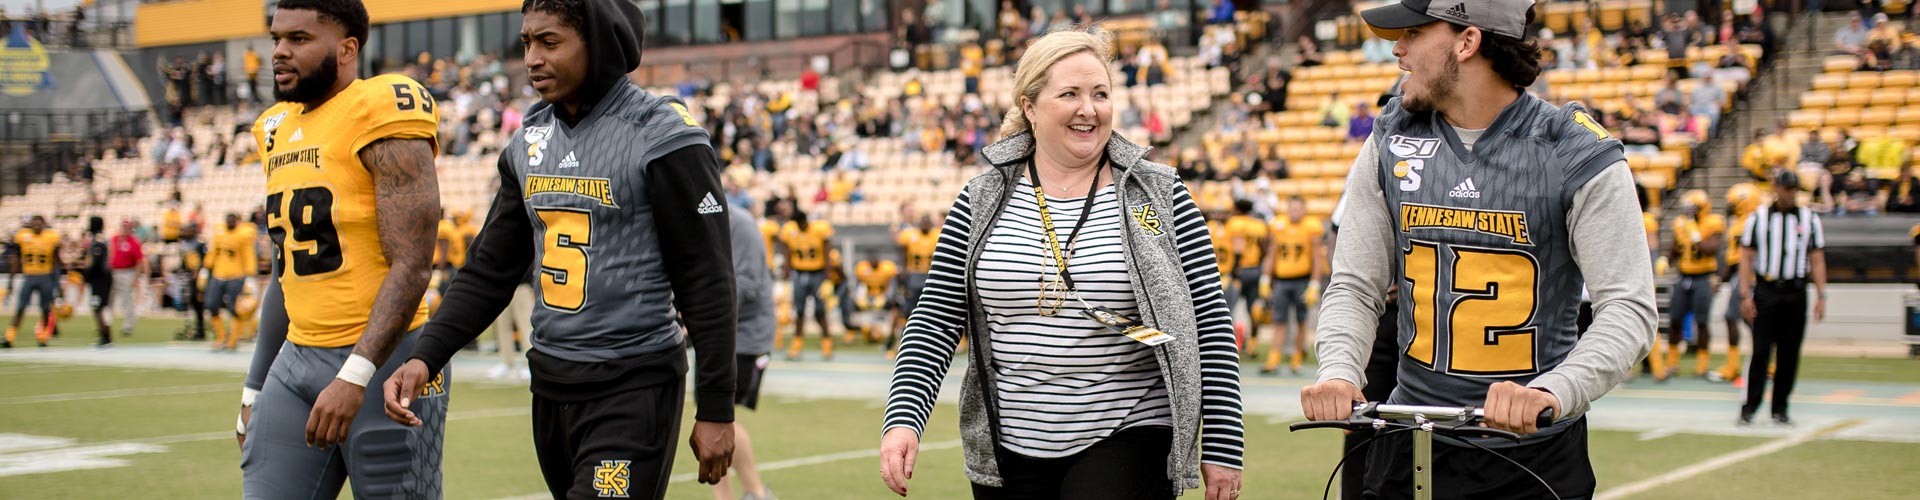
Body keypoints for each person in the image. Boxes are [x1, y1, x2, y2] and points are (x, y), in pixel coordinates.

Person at [383, 0, 739, 498]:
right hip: (550, 382)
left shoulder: (662, 135)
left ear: (598, 43)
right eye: (527, 42)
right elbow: (491, 268)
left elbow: (707, 278)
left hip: (631, 382)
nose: (532, 58)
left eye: (550, 42)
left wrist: (717, 405)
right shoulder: (529, 138)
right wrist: (427, 356)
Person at [1303, 2, 1657, 499]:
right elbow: (1357, 285)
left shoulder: (1575, 151)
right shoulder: (1392, 137)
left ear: (1467, 42)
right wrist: (1340, 371)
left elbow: (1628, 309)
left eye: (1413, 32)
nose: (1397, 50)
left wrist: (1552, 390)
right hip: (1411, 443)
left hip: (1532, 456)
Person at [879, 26, 1244, 500]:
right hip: (1008, 450)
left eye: (1100, 94)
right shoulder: (980, 199)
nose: (1088, 109)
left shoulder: (1159, 196)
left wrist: (1222, 443)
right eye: (1069, 93)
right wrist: (903, 419)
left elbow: (1209, 322)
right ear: (1029, 106)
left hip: (1131, 433)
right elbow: (935, 319)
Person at [233, 0, 447, 498]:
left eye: (299, 40)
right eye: (276, 39)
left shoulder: (382, 106)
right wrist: (254, 385)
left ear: (347, 48)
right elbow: (285, 274)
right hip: (297, 360)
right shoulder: (275, 129)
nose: (280, 53)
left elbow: (414, 264)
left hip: (389, 361)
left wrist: (355, 374)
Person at [1737, 169, 1827, 426]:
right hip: (1766, 290)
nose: (1790, 193)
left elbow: (1817, 259)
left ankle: (1780, 408)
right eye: (1786, 188)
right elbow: (1746, 257)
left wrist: (1822, 294)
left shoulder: (1809, 218)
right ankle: (1749, 408)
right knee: (1761, 351)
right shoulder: (1759, 218)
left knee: (1790, 353)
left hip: (1796, 291)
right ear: (1776, 188)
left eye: (1794, 189)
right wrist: (1745, 294)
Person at [716, 202, 778, 500]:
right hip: (718, 333)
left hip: (745, 335)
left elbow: (747, 284)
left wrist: (700, 315)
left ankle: (756, 493)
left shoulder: (739, 224)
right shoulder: (699, 217)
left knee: (720, 417)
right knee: (710, 417)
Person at [1658, 190, 1724, 381]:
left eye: (1692, 208)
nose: (1688, 212)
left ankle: (1702, 365)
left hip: (1704, 277)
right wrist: (1666, 259)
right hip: (1683, 276)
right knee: (1675, 319)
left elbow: (1710, 250)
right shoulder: (1682, 223)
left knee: (1702, 322)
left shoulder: (1712, 222)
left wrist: (1694, 233)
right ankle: (1672, 363)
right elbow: (1677, 247)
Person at [1264, 196, 1323, 376]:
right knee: (1279, 319)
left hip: (1302, 279)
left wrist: (1314, 283)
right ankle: (1273, 359)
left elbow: (1316, 257)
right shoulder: (1279, 225)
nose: (1294, 211)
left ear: (1304, 210)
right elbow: (1271, 254)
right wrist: (1265, 278)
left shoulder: (1311, 227)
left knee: (1301, 320)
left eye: (1298, 208)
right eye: (1292, 208)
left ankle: (1296, 358)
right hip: (1282, 280)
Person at [1714, 183, 1763, 383]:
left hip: (1748, 278)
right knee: (1749, 321)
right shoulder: (1746, 222)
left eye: (1733, 201)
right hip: (1746, 277)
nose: (1730, 205)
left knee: (1735, 317)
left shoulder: (1748, 223)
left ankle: (1735, 365)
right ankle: (1764, 361)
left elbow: (1739, 259)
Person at [780, 203, 834, 360]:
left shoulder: (818, 229)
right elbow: (786, 249)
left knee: (820, 311)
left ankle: (827, 345)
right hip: (799, 272)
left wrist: (828, 274)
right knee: (799, 311)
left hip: (818, 273)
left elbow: (827, 249)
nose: (801, 226)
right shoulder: (790, 230)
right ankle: (796, 346)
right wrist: (786, 267)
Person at [5, 215, 61, 348]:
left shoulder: (51, 237)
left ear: (44, 224)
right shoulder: (23, 236)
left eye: (39, 222)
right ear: (30, 224)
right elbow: (16, 259)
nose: (36, 225)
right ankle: (10, 336)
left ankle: (44, 337)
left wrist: (57, 282)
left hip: (45, 276)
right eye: (34, 222)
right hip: (29, 276)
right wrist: (11, 280)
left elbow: (55, 261)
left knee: (45, 309)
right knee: (20, 307)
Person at [206, 213, 259, 352]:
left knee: (235, 309)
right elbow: (213, 251)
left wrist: (250, 273)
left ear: (237, 221)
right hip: (218, 274)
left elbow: (248, 254)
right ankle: (221, 337)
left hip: (236, 275)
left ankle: (233, 340)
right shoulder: (219, 232)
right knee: (211, 305)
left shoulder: (243, 234)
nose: (229, 222)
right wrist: (207, 266)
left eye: (232, 220)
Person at [1224, 198, 1268, 356]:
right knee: (1253, 308)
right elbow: (1264, 248)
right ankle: (1252, 344)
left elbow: (1238, 248)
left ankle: (1230, 344)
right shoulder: (1259, 224)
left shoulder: (1235, 223)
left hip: (1241, 270)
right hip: (1255, 269)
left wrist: (1234, 272)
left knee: (1229, 308)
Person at [108, 219, 145, 336]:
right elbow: (110, 255)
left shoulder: (134, 242)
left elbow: (139, 261)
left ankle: (128, 325)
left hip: (127, 272)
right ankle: (105, 324)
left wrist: (136, 277)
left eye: (127, 228)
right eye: (124, 227)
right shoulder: (114, 239)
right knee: (109, 299)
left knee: (127, 300)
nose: (125, 230)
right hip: (113, 271)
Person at [81, 217, 112, 348]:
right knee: (99, 307)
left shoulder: (97, 241)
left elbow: (96, 262)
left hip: (100, 278)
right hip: (102, 278)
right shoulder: (100, 239)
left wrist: (86, 275)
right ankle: (105, 335)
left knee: (97, 307)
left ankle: (105, 336)